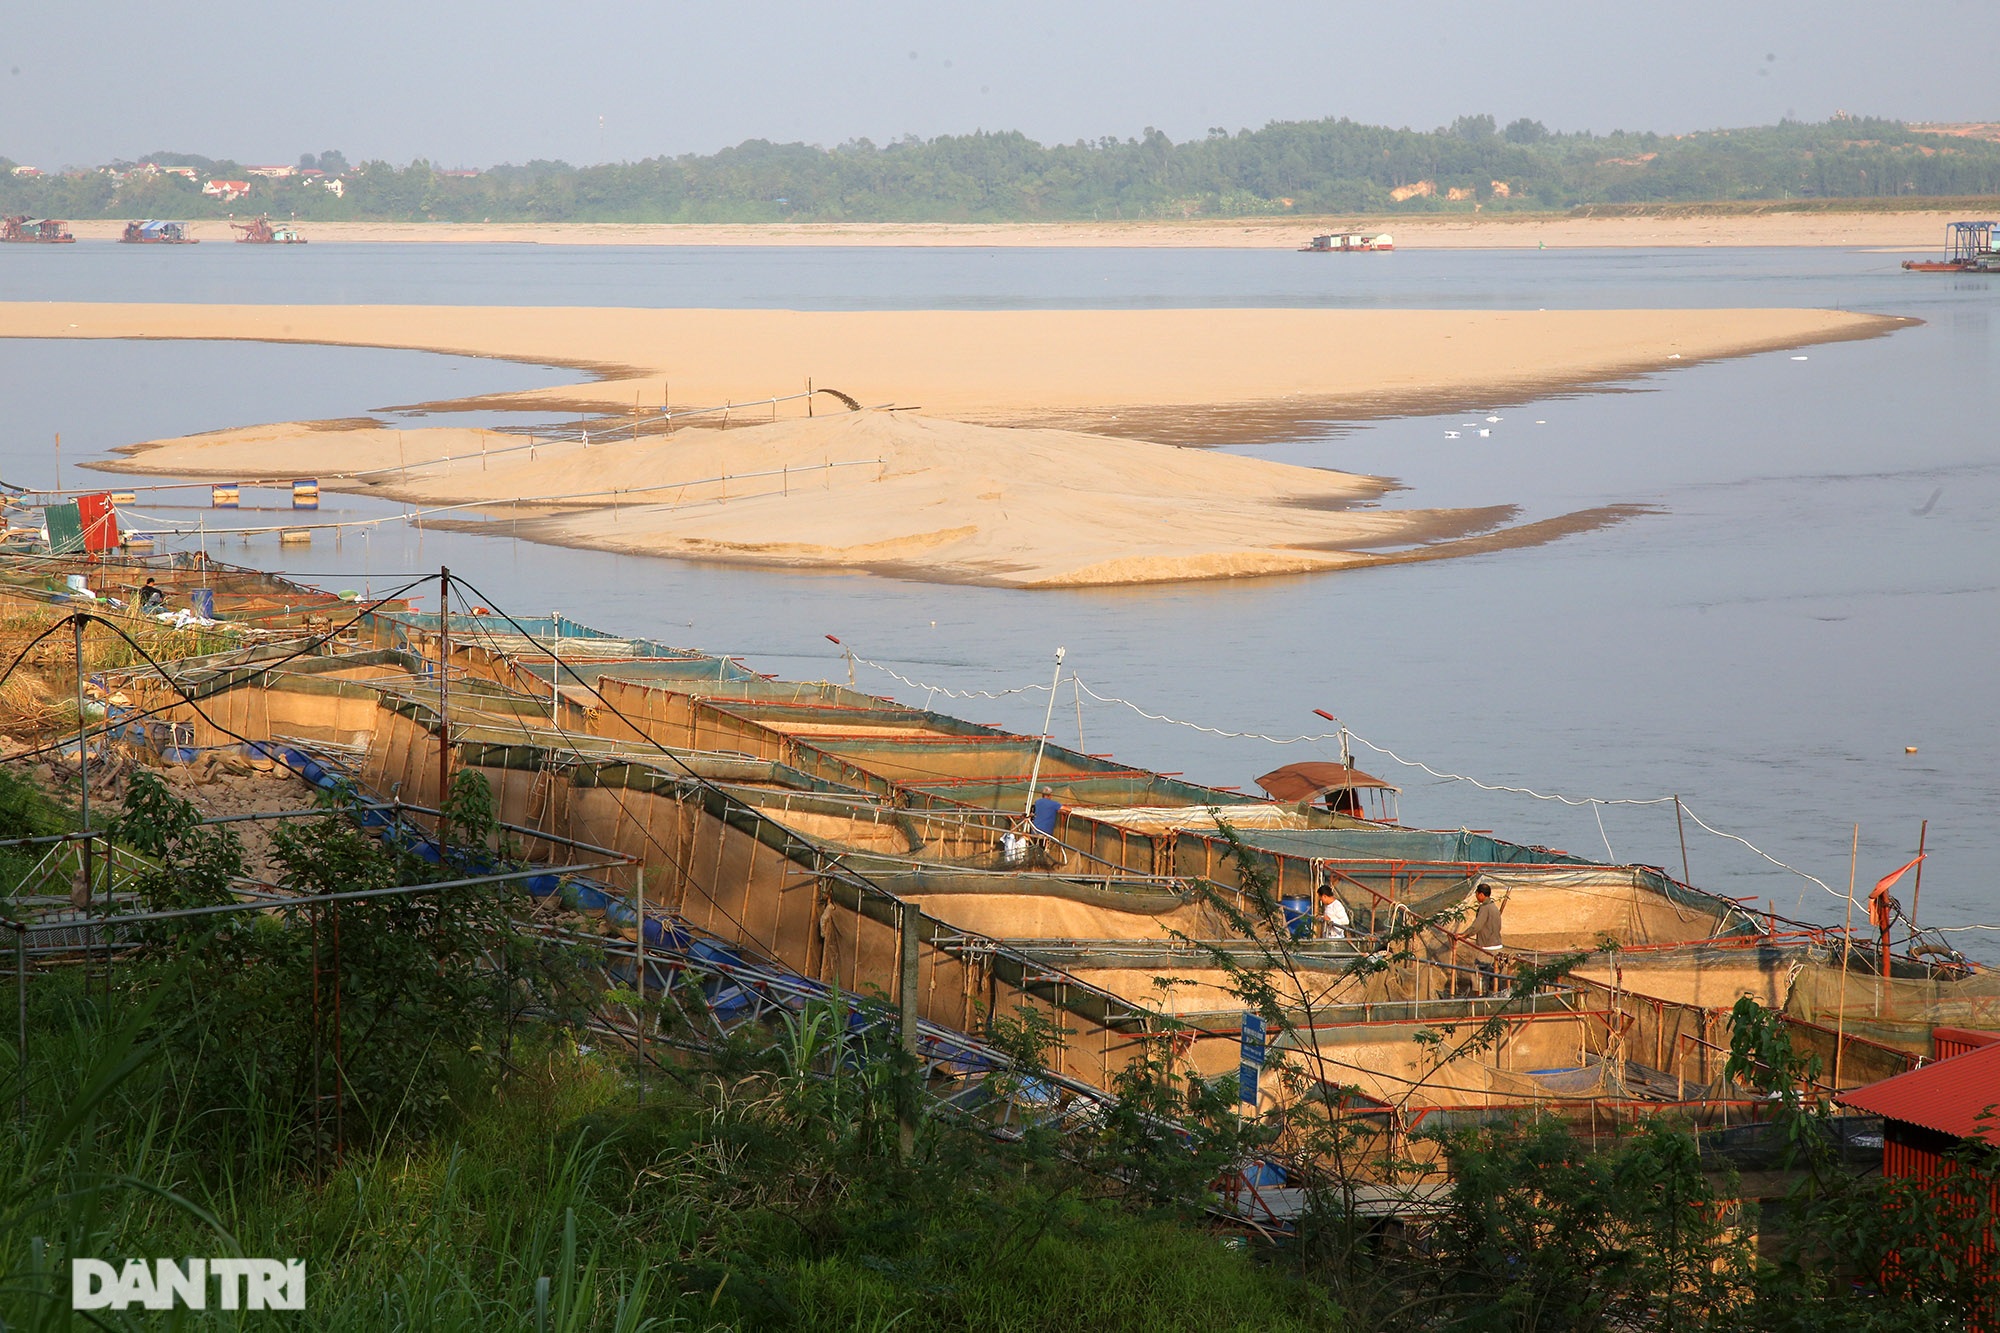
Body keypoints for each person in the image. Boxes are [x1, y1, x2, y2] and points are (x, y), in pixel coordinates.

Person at [1470, 883, 1505, 996]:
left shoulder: (1484, 908)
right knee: (1494, 973)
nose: (1476, 896)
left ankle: (1478, 997)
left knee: (1476, 973)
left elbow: (1476, 926)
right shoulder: (1494, 907)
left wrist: (1463, 935)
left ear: (1481, 894)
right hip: (1497, 945)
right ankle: (1494, 995)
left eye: (1476, 894)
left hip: (1487, 947)